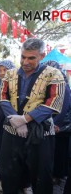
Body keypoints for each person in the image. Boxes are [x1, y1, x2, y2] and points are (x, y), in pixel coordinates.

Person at [0, 38, 65, 194]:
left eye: (31, 58)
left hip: (40, 134)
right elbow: (2, 97)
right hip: (11, 131)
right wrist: (17, 121)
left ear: (42, 56)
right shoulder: (9, 74)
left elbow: (54, 103)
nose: (25, 61)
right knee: (9, 176)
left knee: (41, 178)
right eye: (23, 57)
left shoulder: (54, 74)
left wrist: (25, 119)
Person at [42, 61, 71, 191]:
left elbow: (63, 107)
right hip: (52, 122)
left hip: (62, 124)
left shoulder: (62, 84)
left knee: (59, 151)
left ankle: (58, 175)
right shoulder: (48, 83)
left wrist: (57, 124)